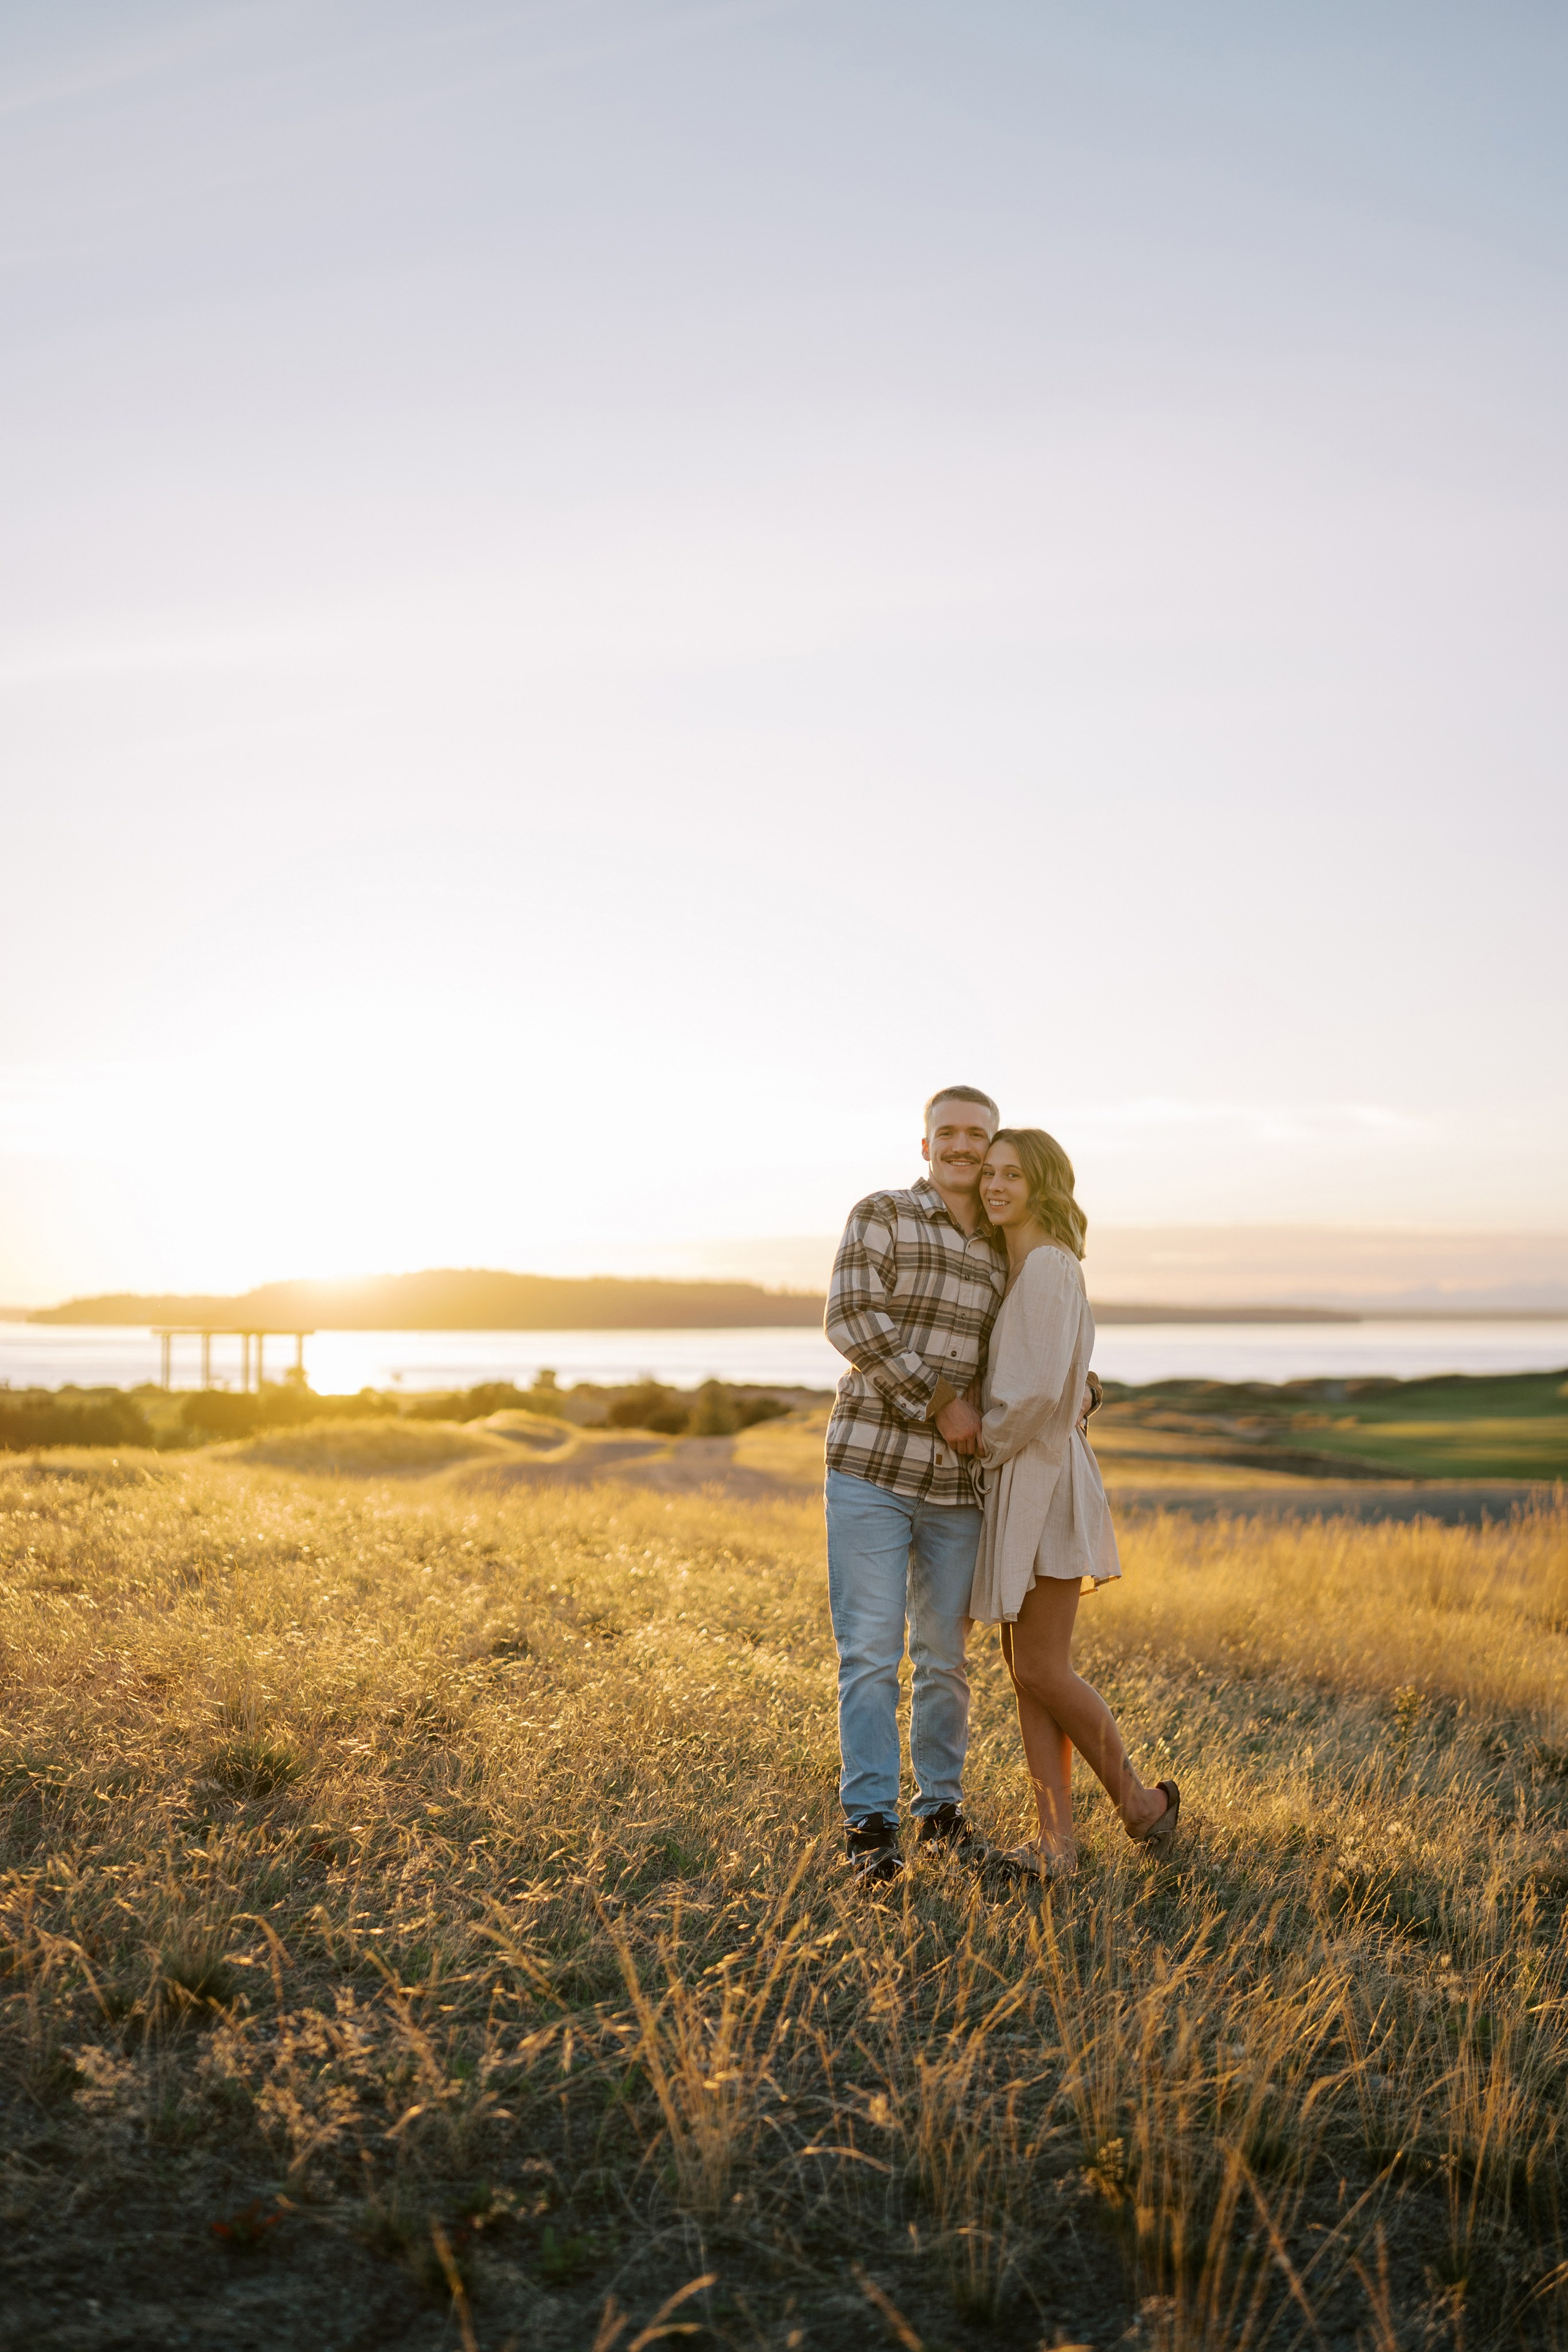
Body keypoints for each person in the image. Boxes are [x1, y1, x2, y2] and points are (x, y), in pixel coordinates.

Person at [968, 1126, 1180, 1879]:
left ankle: (1138, 1805)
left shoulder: (1050, 1266)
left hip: (1044, 1479)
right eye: (989, 1173)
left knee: (1045, 1667)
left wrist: (978, 1443)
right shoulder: (1022, 1264)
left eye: (1013, 1176)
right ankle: (1054, 1842)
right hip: (1022, 1477)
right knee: (1025, 1669)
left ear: (1044, 1186)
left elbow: (1029, 1395)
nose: (995, 1186)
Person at [823, 1086, 1006, 1883]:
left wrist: (1083, 1391)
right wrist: (941, 1401)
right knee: (869, 1655)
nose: (964, 1146)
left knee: (945, 1660)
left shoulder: (1014, 1249)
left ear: (996, 1149)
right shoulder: (885, 1214)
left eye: (979, 1135)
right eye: (950, 1133)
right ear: (926, 1145)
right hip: (871, 1470)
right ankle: (870, 1828)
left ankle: (941, 1814)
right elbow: (852, 1317)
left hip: (959, 1490)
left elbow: (1040, 1345)